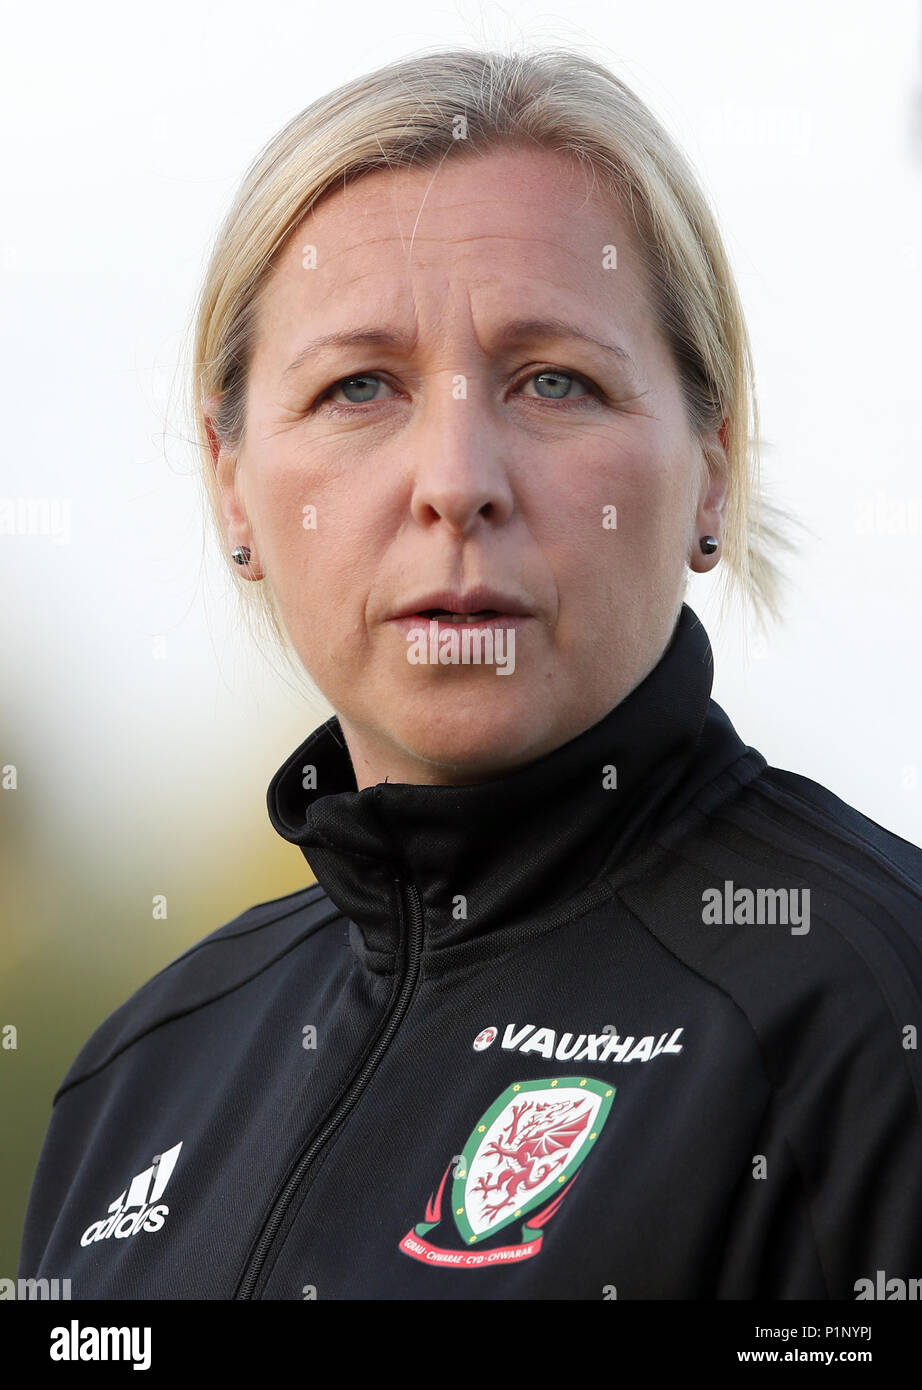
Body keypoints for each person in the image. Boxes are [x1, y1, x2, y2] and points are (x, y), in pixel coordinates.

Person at [18, 46, 922, 1300]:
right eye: (358, 387)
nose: (455, 480)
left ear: (713, 463)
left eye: (555, 381)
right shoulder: (140, 1071)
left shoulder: (868, 1011)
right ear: (231, 477)